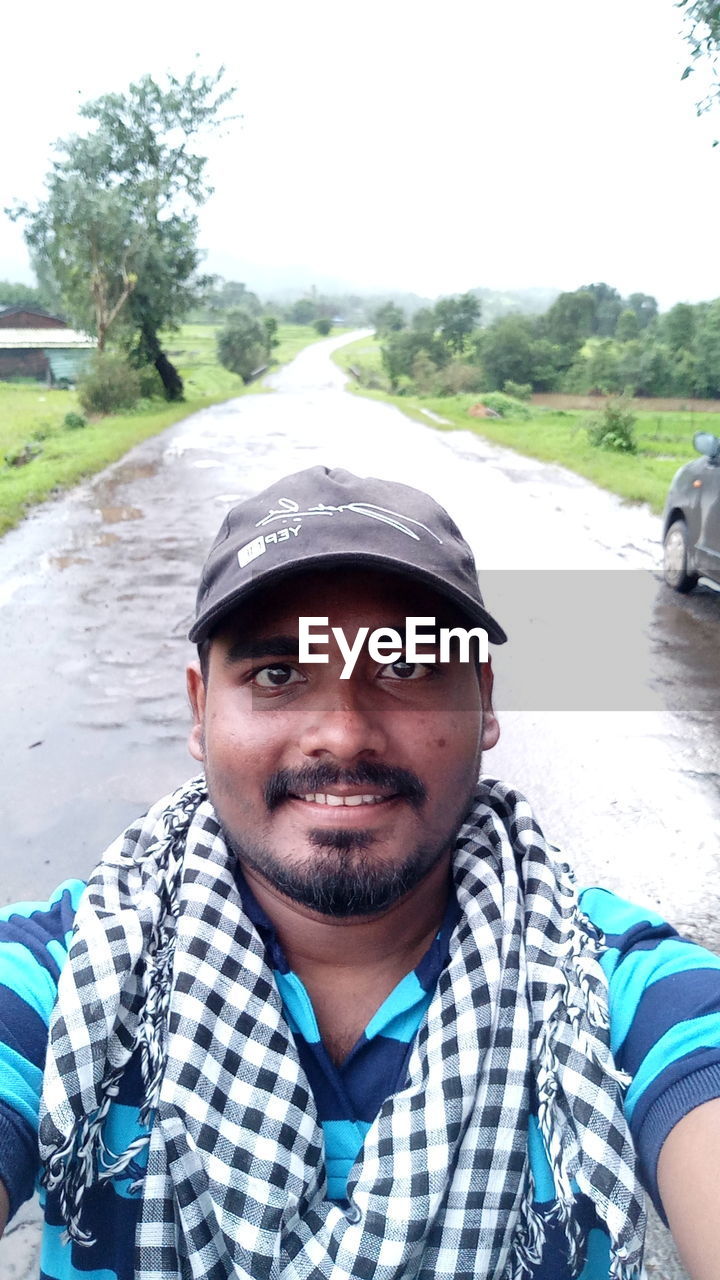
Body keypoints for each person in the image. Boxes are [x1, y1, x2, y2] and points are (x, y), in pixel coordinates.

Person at [0, 465, 718, 1280]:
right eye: (277, 676)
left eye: (405, 669)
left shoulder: (611, 998)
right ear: (199, 709)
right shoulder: (70, 978)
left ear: (484, 702)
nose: (343, 736)